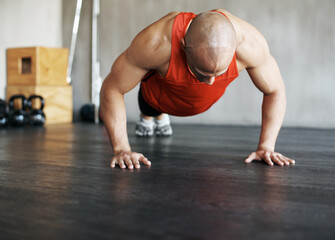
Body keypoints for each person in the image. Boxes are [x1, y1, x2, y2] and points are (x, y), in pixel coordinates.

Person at [100, 9, 295, 170]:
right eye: (202, 72)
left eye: (218, 73)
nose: (210, 82)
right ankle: (152, 115)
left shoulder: (250, 44)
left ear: (234, 48)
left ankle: (158, 118)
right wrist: (121, 149)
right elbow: (112, 87)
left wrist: (266, 146)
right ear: (183, 46)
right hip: (158, 97)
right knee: (150, 107)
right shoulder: (157, 43)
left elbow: (275, 89)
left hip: (199, 101)